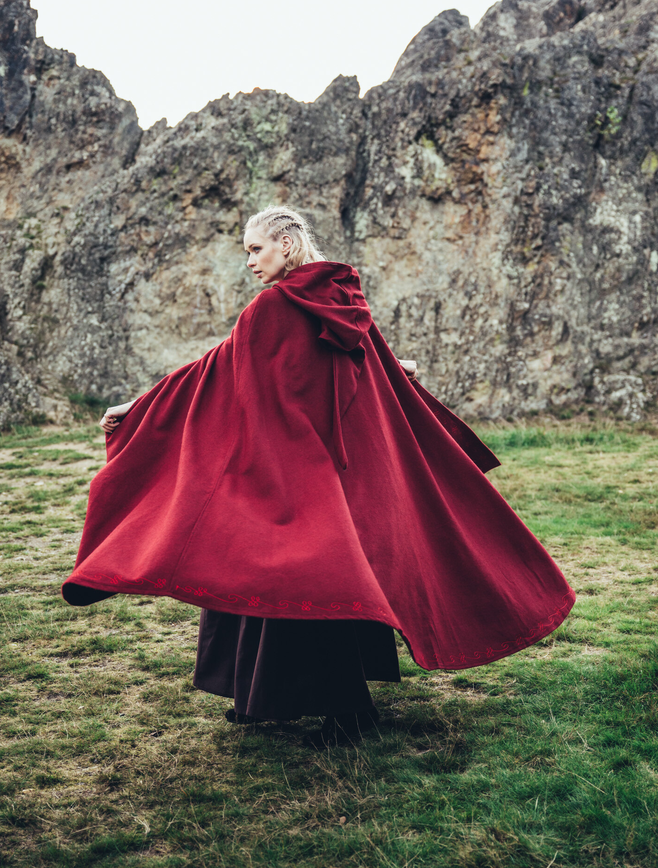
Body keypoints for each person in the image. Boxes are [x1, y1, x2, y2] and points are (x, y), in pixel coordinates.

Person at [63, 206, 575, 747]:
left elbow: (216, 373)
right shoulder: (344, 298)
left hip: (292, 471)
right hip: (336, 470)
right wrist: (397, 369)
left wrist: (139, 410)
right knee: (319, 574)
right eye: (246, 252)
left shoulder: (275, 307)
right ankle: (266, 700)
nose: (250, 261)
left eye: (256, 249)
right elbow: (314, 364)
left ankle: (342, 710)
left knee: (292, 576)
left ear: (286, 243)